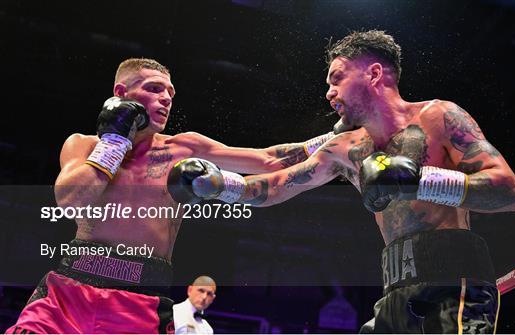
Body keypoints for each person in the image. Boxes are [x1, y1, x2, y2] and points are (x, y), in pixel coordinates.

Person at [172, 30, 515, 333]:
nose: (329, 92)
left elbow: (509, 192)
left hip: (455, 277)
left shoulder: (440, 116)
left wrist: (419, 180)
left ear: (373, 73)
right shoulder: (346, 148)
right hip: (395, 286)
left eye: (336, 77)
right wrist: (218, 186)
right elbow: (276, 182)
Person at [5, 58, 337, 334]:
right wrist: (114, 144)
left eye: (170, 92)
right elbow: (70, 201)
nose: (166, 97)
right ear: (122, 93)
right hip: (68, 292)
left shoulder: (183, 148)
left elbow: (269, 159)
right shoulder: (84, 144)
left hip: (140, 299)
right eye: (153, 88)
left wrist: (341, 136)